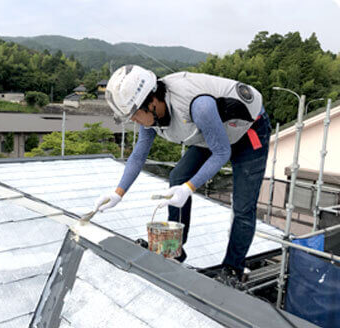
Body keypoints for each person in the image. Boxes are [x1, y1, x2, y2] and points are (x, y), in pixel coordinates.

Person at [93, 65, 271, 287]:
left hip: (247, 131)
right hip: (212, 132)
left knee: (243, 206)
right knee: (178, 176)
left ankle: (232, 268)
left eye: (135, 115)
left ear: (152, 102)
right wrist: (118, 192)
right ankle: (174, 250)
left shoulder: (198, 106)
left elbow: (222, 152)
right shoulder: (151, 113)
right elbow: (139, 155)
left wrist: (190, 187)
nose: (135, 121)